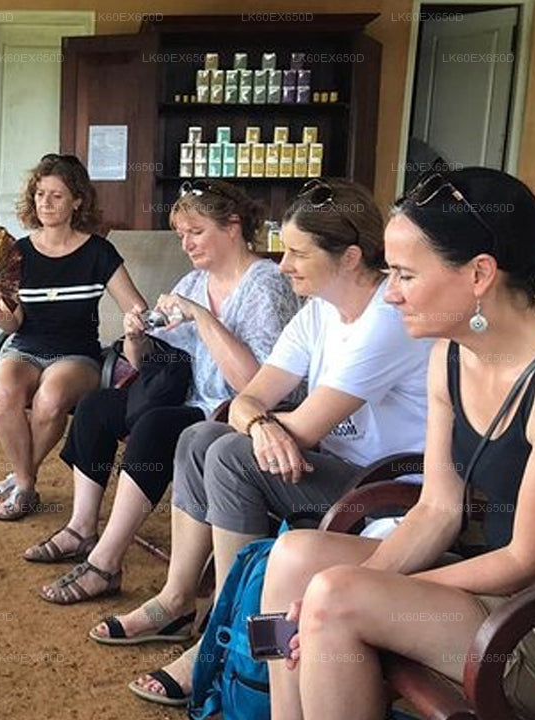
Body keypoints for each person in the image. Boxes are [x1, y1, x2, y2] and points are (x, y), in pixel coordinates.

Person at [260, 168, 535, 720]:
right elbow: (438, 509)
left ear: (479, 273)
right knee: (295, 556)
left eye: (404, 274)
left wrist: (366, 588)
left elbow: (527, 560)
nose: (390, 294)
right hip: (499, 591)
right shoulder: (451, 354)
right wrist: (364, 583)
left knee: (336, 597)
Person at [123, 179, 434, 705]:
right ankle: (179, 600)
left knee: (229, 455)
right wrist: (259, 423)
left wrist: (260, 423)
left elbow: (305, 427)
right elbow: (249, 398)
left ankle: (221, 633)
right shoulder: (321, 311)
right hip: (331, 468)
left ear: (349, 257)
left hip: (388, 491)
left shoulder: (386, 317)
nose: (284, 265)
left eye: (297, 253)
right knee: (200, 436)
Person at [31, 180, 299, 607]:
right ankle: (82, 528)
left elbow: (255, 384)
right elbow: (148, 364)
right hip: (183, 395)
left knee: (156, 426)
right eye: (181, 235)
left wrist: (201, 317)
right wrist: (136, 337)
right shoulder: (193, 281)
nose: (186, 244)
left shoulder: (265, 285)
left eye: (196, 232)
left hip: (232, 411)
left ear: (232, 227)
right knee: (97, 407)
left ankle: (105, 564)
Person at [0, 153, 147, 520]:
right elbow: (13, 324)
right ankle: (25, 482)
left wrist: (136, 320)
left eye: (57, 195)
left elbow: (135, 305)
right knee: (3, 390)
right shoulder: (17, 252)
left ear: (77, 201)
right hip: (25, 349)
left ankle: (20, 482)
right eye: (40, 194)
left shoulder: (98, 252)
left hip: (77, 356)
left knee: (50, 398)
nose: (46, 203)